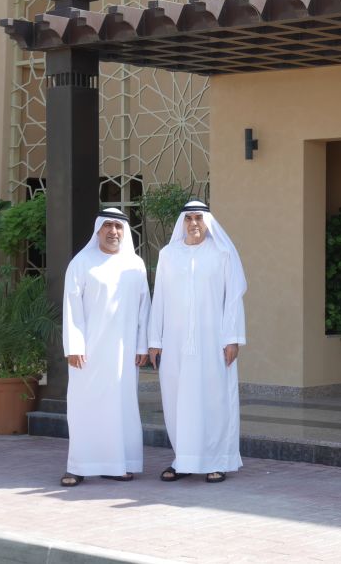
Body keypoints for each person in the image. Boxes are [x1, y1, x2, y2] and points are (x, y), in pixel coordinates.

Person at [148, 201, 246, 484]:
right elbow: (160, 299)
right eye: (188, 218)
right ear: (182, 222)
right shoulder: (169, 254)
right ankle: (184, 460)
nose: (193, 223)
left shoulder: (222, 253)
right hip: (176, 343)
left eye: (198, 218)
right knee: (177, 400)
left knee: (214, 400)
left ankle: (217, 461)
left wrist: (233, 338)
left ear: (207, 222)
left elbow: (233, 299)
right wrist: (155, 341)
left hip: (214, 342)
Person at [61, 209, 151, 487]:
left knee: (120, 408)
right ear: (98, 230)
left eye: (118, 226)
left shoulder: (135, 265)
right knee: (83, 408)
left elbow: (143, 309)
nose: (114, 231)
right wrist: (74, 346)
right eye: (108, 226)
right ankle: (78, 466)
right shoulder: (82, 263)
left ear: (125, 231)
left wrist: (142, 345)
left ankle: (117, 465)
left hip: (124, 355)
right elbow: (71, 308)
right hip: (87, 354)